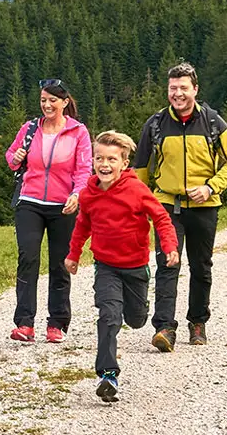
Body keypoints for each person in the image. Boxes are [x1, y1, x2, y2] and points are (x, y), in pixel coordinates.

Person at [132, 61, 227, 350]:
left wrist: (210, 187)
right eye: (172, 88)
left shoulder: (214, 122)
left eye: (183, 88)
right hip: (166, 205)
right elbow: (140, 168)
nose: (177, 94)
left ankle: (198, 323)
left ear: (195, 89)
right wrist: (141, 204)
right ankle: (165, 328)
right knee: (167, 265)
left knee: (201, 267)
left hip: (205, 206)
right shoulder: (155, 124)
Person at [63, 130, 179, 403]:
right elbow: (82, 226)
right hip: (106, 267)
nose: (105, 164)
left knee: (136, 319)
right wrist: (73, 254)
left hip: (136, 266)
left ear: (124, 163)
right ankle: (108, 374)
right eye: (99, 158)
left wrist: (170, 246)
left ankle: (140, 310)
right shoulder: (89, 194)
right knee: (108, 316)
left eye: (112, 159)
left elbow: (161, 218)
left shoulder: (137, 189)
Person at [4, 79, 91, 344]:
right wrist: (15, 157)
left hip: (63, 205)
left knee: (60, 263)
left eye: (52, 100)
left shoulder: (78, 132)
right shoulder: (30, 128)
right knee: (28, 258)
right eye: (43, 100)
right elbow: (11, 157)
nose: (47, 105)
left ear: (65, 102)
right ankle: (24, 323)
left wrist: (77, 194)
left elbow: (84, 169)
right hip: (29, 201)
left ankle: (57, 324)